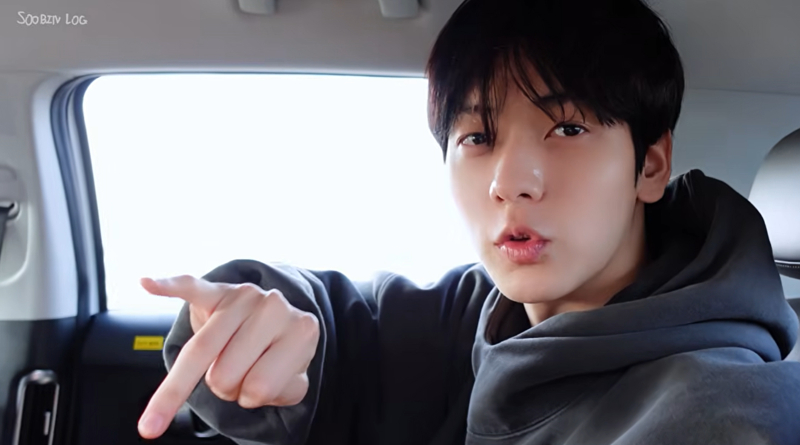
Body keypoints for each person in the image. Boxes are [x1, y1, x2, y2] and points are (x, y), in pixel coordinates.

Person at [137, 0, 800, 443]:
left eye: (567, 128)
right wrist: (253, 324)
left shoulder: (717, 412)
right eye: (478, 137)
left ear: (650, 166)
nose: (509, 181)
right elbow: (341, 322)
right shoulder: (479, 312)